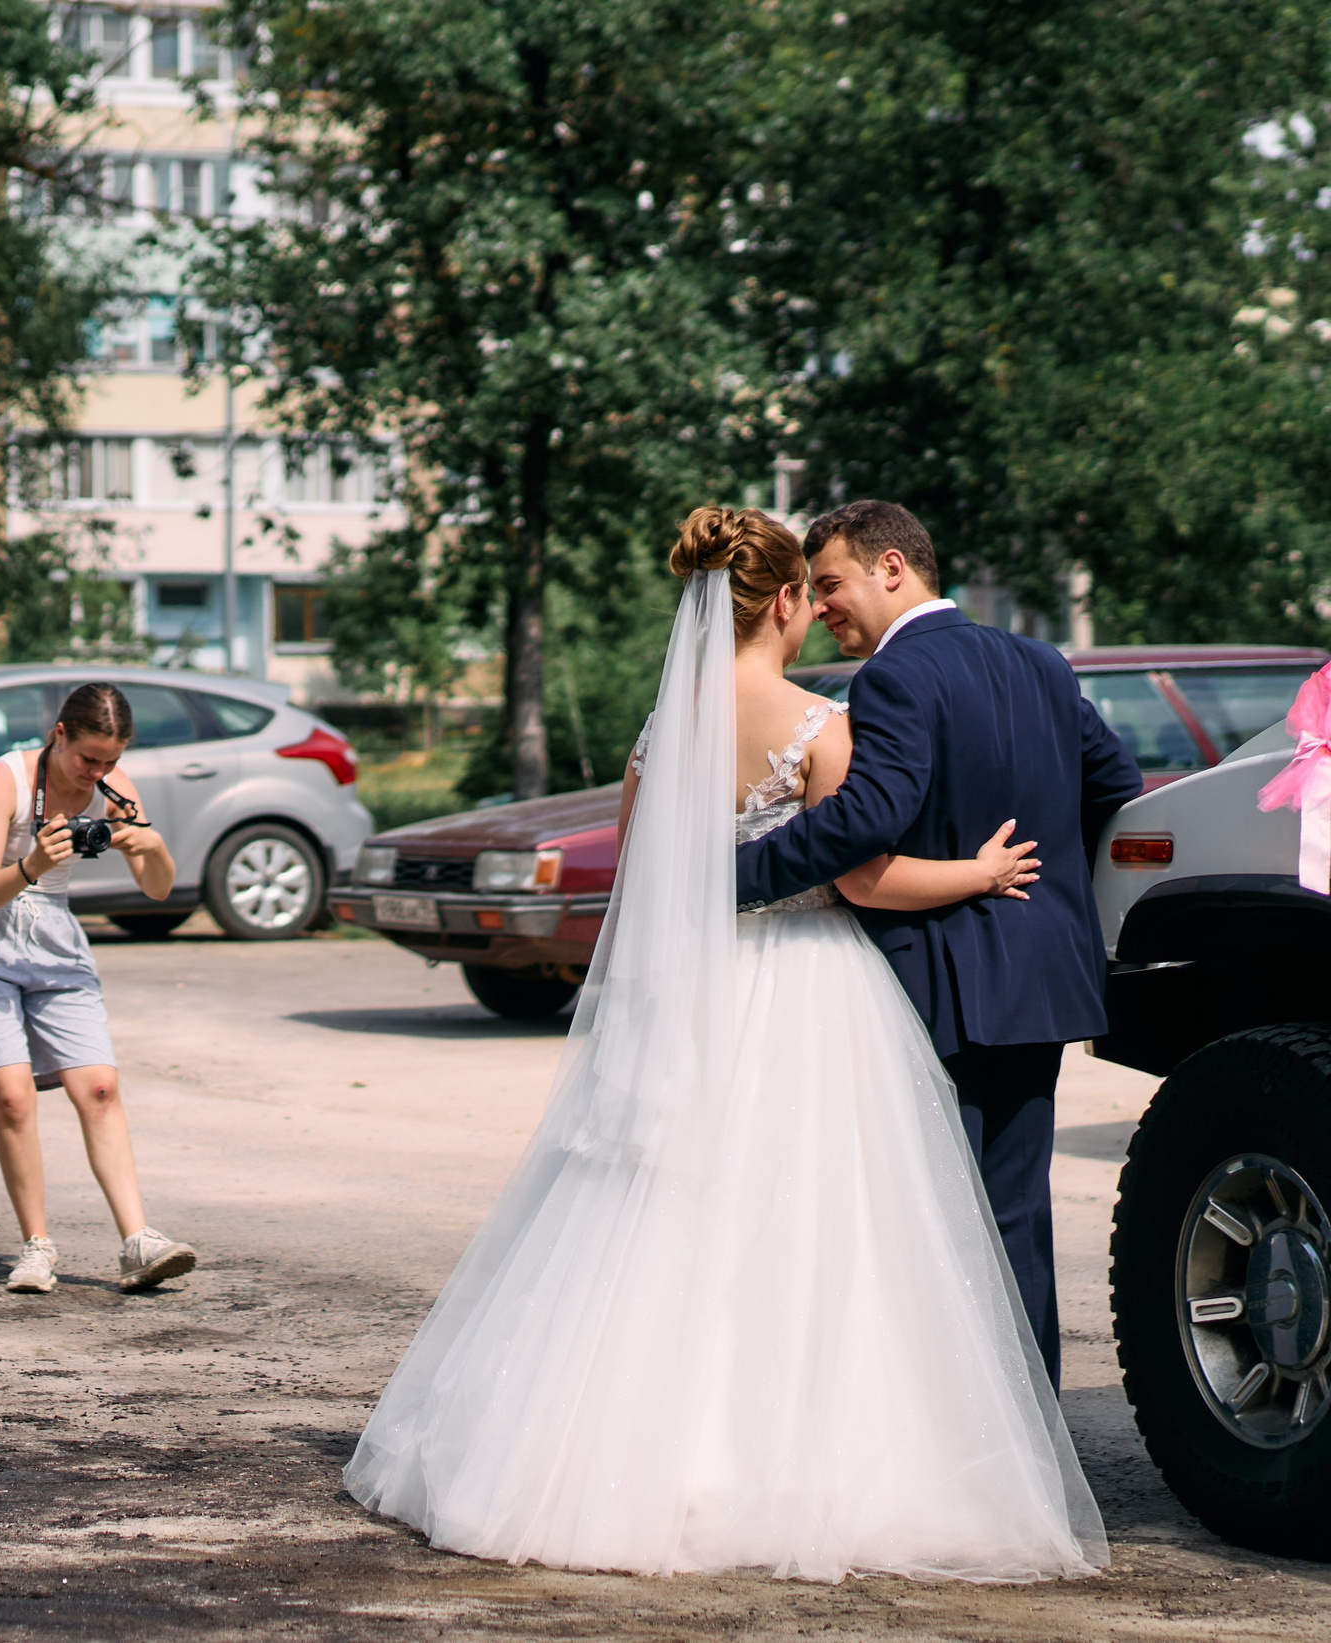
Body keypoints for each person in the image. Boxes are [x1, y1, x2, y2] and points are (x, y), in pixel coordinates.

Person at [345, 508, 1107, 1580]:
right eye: (813, 593)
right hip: (815, 983)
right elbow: (859, 875)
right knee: (833, 1232)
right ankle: (903, 1448)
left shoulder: (660, 732)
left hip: (698, 986)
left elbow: (642, 872)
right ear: (786, 601)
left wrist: (700, 893)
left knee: (673, 1218)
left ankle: (618, 1451)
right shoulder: (820, 722)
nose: (822, 612)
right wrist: (988, 877)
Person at [733, 499, 1142, 1383]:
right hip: (1039, 977)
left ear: (892, 567)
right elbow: (1116, 780)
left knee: (929, 1216)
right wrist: (1053, 885)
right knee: (1014, 1212)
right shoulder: (1038, 659)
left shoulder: (892, 677)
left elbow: (865, 821)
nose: (824, 604)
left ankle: (957, 1429)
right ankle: (1031, 1429)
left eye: (832, 583)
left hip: (935, 977)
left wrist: (721, 882)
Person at [0, 682, 197, 1295]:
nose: (98, 772)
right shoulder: (8, 779)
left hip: (52, 929)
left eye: (112, 760)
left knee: (99, 1085)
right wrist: (34, 865)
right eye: (87, 759)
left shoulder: (113, 786)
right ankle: (35, 1247)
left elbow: (158, 888)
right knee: (16, 1097)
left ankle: (138, 1242)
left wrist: (151, 843)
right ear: (59, 735)